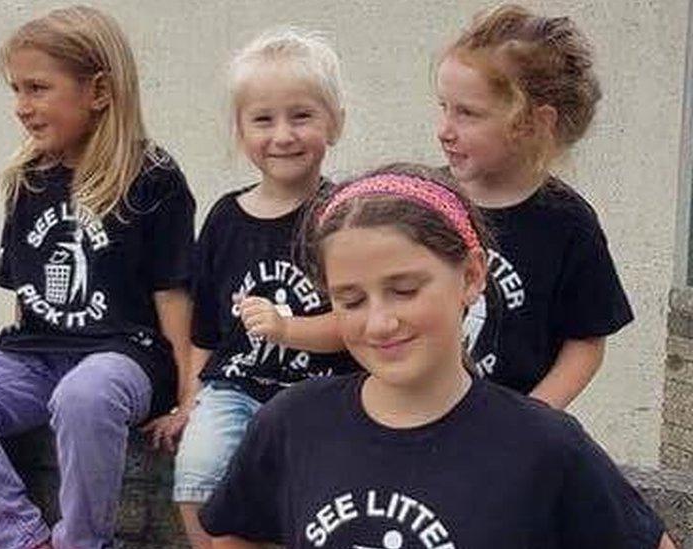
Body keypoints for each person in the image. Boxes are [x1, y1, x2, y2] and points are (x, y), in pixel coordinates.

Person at [199, 164, 675, 548]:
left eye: (404, 290)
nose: (380, 322)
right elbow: (236, 531)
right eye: (351, 300)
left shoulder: (545, 446)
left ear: (470, 276)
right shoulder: (292, 422)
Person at [0, 6, 195, 549]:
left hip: (123, 358)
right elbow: (25, 295)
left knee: (84, 394)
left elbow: (173, 292)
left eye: (37, 88)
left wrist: (186, 395)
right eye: (16, 91)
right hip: (36, 356)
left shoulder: (152, 176)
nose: (22, 107)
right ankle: (20, 538)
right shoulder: (27, 178)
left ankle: (83, 542)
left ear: (100, 91)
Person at [172, 27, 353, 549]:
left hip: (321, 390)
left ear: (335, 123)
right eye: (263, 120)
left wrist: (287, 329)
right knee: (198, 469)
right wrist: (192, 400)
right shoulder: (226, 218)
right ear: (240, 130)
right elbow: (205, 329)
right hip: (235, 387)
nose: (283, 136)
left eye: (302, 116)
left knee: (301, 493)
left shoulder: (345, 214)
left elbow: (355, 324)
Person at [435, 4, 632, 408]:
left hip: (510, 433)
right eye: (444, 108)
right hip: (421, 418)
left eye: (467, 113)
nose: (444, 131)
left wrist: (532, 419)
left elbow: (586, 340)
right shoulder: (425, 197)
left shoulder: (568, 223)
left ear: (534, 123)